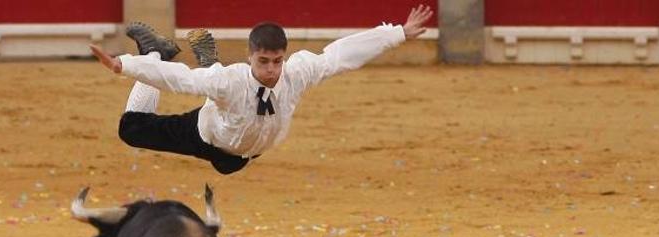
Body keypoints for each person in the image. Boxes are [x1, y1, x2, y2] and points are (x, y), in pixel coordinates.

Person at [90, 5, 433, 175]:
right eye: (264, 61)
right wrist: (126, 65)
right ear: (251, 56)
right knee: (131, 130)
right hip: (206, 136)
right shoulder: (234, 80)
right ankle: (156, 51)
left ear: (285, 56)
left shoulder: (296, 73)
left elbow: (340, 56)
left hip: (241, 152)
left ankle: (210, 63)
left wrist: (398, 33)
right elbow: (179, 79)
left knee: (226, 160)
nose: (271, 70)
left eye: (277, 61)